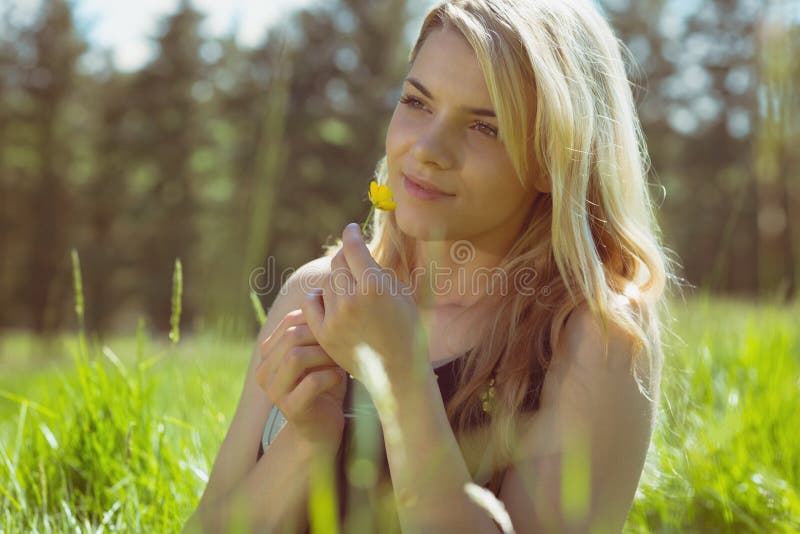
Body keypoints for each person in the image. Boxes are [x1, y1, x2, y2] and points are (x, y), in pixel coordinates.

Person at [185, 0, 676, 532]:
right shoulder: (319, 292)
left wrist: (399, 375)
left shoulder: (592, 334)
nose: (428, 148)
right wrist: (307, 441)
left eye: (485, 128)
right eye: (417, 103)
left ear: (553, 158)